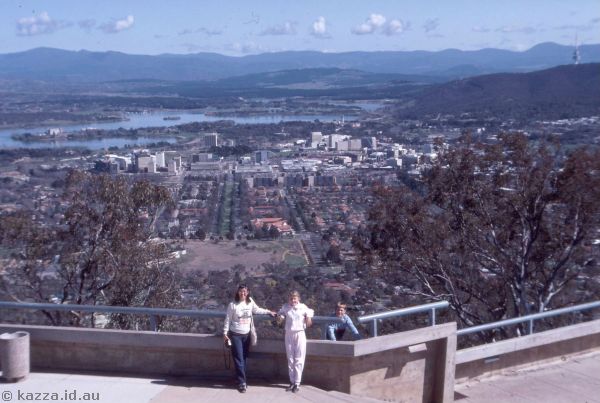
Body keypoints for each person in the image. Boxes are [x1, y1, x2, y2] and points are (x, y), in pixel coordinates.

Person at [223, 284, 276, 393]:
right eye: (241, 291)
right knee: (238, 359)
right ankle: (242, 382)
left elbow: (257, 310)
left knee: (244, 358)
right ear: (238, 292)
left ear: (248, 292)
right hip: (235, 335)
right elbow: (227, 319)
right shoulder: (232, 305)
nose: (243, 293)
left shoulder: (250, 301)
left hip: (246, 335)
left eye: (245, 291)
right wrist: (225, 333)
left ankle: (239, 378)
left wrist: (269, 312)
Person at [277, 290, 314, 393]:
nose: (293, 300)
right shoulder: (286, 307)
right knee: (290, 359)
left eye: (295, 298)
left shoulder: (303, 307)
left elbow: (310, 312)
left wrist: (309, 317)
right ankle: (292, 382)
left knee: (299, 359)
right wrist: (280, 317)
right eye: (291, 298)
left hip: (300, 333)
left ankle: (297, 383)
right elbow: (280, 314)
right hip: (288, 334)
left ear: (298, 299)